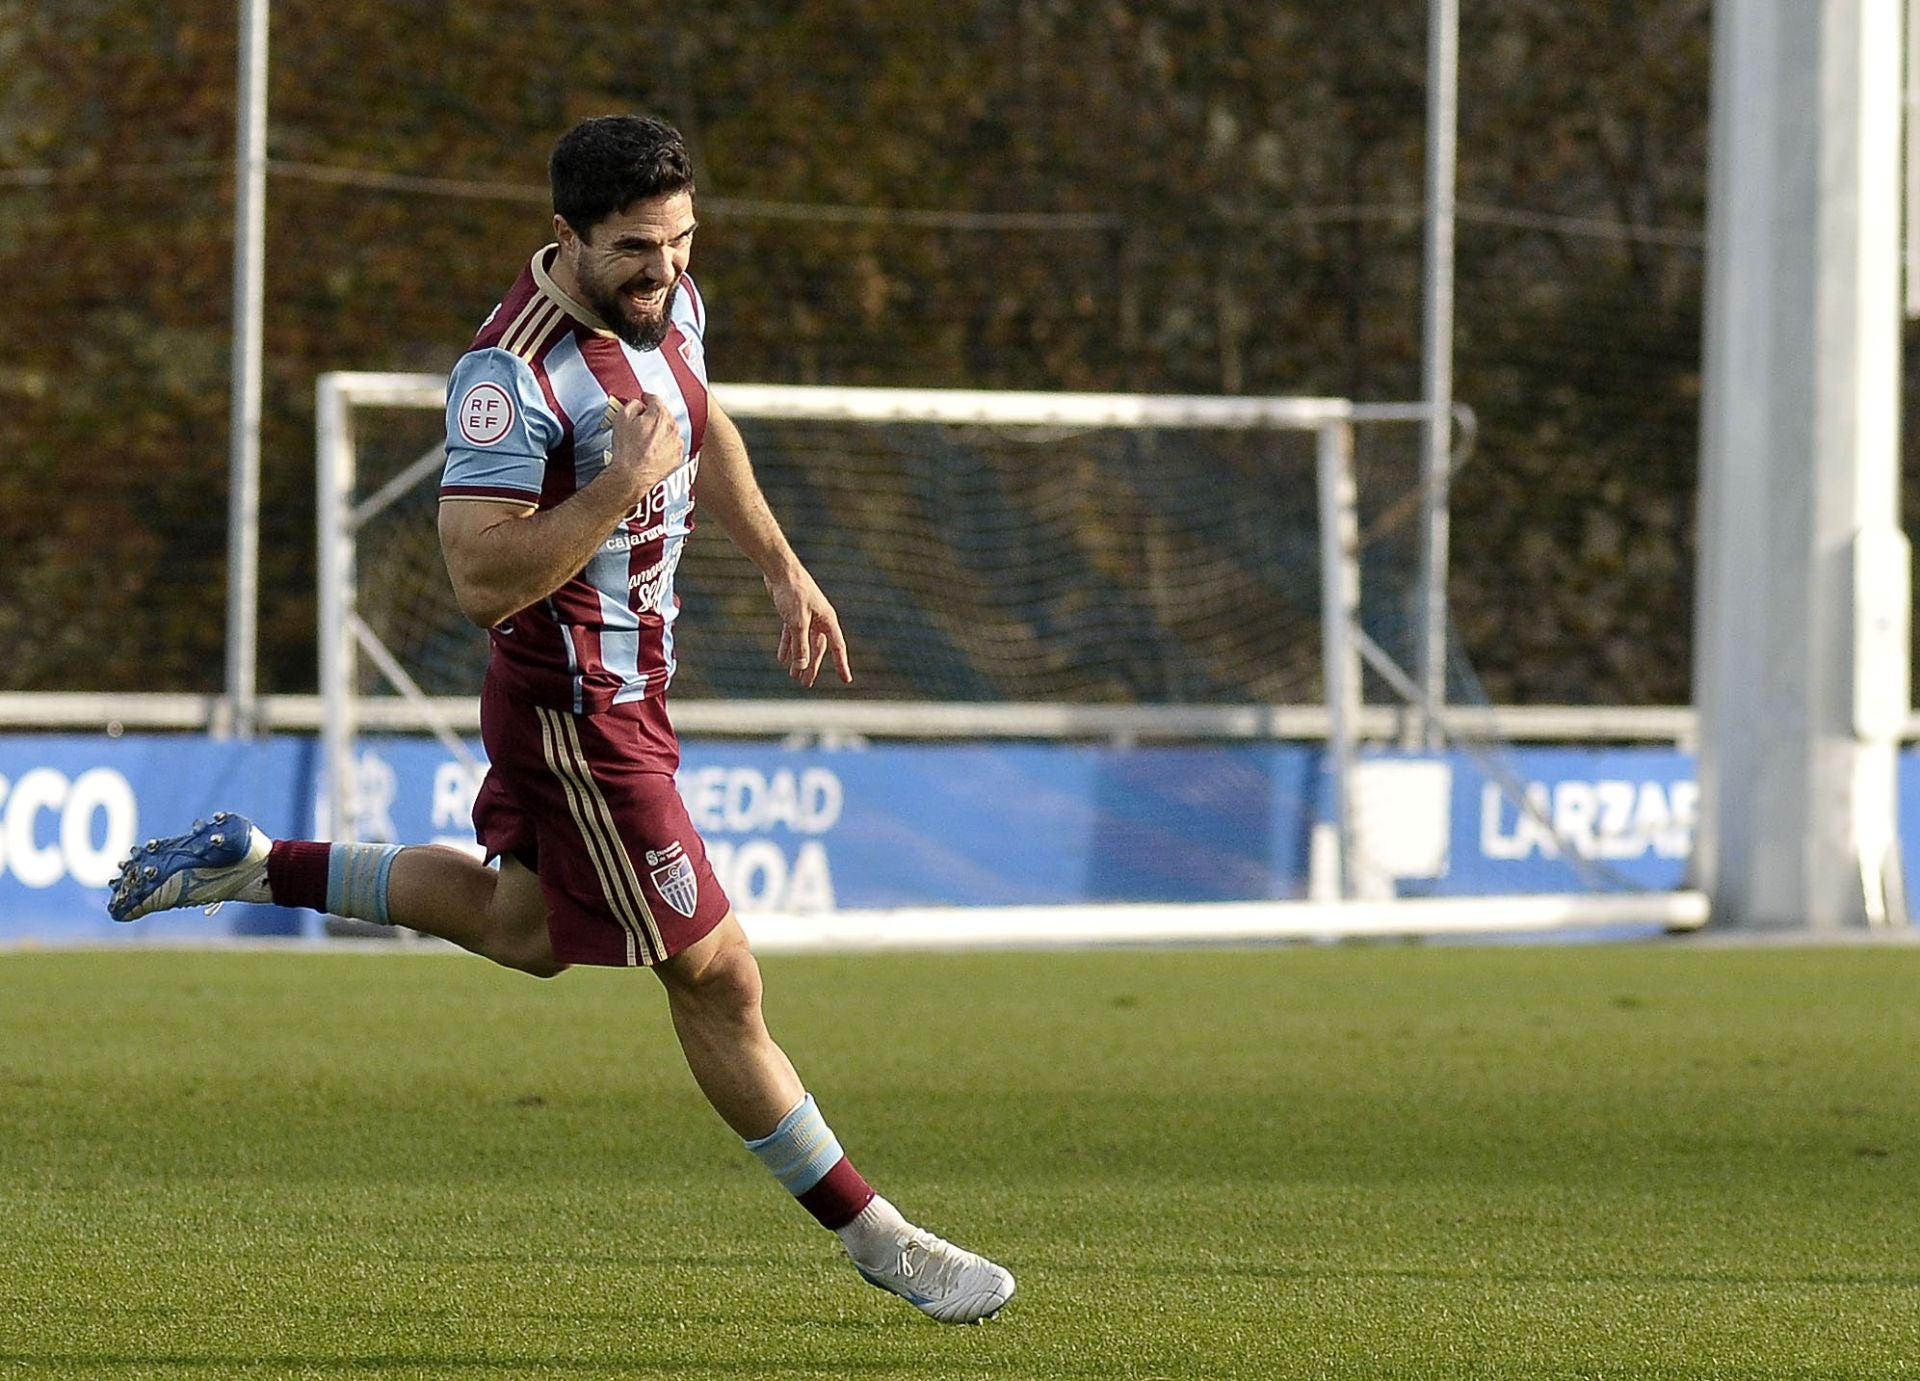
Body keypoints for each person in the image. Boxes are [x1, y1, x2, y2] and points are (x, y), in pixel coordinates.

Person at [108, 113, 1013, 1326]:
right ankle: (881, 1237)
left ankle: (261, 864)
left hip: (621, 700)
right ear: (567, 238)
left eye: (683, 242)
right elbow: (480, 578)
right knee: (719, 979)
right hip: (581, 715)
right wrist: (617, 486)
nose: (668, 271)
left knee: (522, 927)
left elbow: (703, 419)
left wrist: (782, 564)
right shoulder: (510, 378)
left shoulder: (667, 309)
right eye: (639, 249)